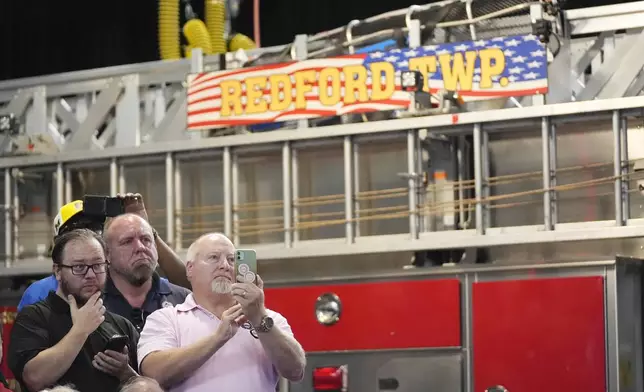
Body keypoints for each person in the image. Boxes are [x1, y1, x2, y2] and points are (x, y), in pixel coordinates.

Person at [137, 233, 306, 392]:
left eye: (232, 260)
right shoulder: (167, 319)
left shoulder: (268, 319)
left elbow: (296, 371)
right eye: (214, 258)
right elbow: (153, 374)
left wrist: (259, 318)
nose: (225, 265)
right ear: (190, 269)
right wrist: (218, 337)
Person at [8, 229, 139, 392]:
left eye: (98, 265)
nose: (90, 274)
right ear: (57, 271)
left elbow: (148, 384)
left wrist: (126, 373)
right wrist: (80, 331)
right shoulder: (34, 317)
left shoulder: (121, 324)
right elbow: (34, 379)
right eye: (79, 267)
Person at [18, 193, 190, 312]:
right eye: (76, 231)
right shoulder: (42, 291)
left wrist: (143, 226)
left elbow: (186, 285)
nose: (87, 237)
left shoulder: (118, 279)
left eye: (94, 229)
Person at [102, 213, 190, 331]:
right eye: (127, 241)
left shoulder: (184, 301)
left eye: (146, 239)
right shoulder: (93, 304)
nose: (140, 247)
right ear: (107, 254)